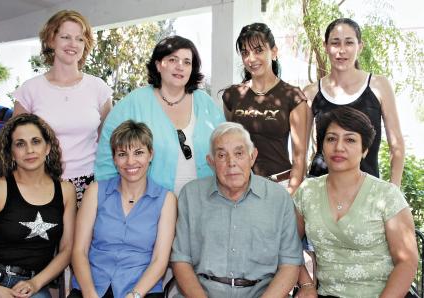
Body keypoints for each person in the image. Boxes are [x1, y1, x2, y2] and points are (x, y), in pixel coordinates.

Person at [294, 107, 417, 298]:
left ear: (365, 149)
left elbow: (407, 262)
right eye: (331, 139)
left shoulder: (386, 195)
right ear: (322, 146)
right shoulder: (307, 192)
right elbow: (289, 244)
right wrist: (307, 284)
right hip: (327, 294)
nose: (339, 147)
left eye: (350, 140)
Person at [171, 122, 303, 297]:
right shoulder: (191, 195)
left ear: (252, 156)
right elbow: (181, 259)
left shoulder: (278, 198)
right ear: (211, 162)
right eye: (221, 155)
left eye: (239, 153)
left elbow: (290, 263)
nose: (231, 162)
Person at [0, 114, 76, 297]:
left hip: (32, 285)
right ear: (11, 152)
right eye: (20, 144)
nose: (29, 150)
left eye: (36, 141)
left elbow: (67, 250)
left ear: (48, 147)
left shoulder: (66, 191)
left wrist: (36, 284)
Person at [95, 35, 225, 195]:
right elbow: (106, 157)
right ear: (158, 65)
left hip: (203, 205)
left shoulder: (205, 103)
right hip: (149, 208)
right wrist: (111, 198)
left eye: (187, 62)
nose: (180, 66)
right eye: (172, 60)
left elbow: (226, 146)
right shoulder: (133, 103)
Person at [13, 10, 112, 204]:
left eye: (79, 39)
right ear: (51, 40)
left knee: (86, 235)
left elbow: (106, 140)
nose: (73, 44)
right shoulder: (30, 90)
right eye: (65, 37)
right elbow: (16, 144)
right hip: (43, 182)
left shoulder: (99, 89)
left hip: (92, 183)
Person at [69, 120, 177, 298]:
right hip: (92, 286)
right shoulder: (95, 191)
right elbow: (79, 251)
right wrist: (89, 293)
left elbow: (160, 260)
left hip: (141, 289)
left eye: (139, 152)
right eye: (122, 154)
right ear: (114, 159)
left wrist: (134, 295)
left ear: (151, 154)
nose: (130, 161)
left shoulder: (166, 200)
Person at [303, 18, 405, 186]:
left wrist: (393, 194)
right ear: (325, 47)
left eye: (349, 43)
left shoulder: (379, 86)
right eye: (335, 43)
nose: (341, 50)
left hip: (367, 193)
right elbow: (301, 151)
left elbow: (397, 146)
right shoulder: (311, 92)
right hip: (320, 190)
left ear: (360, 46)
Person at [222, 23, 308, 195]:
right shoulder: (232, 96)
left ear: (274, 52)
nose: (251, 59)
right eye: (245, 53)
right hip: (241, 188)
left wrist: (289, 196)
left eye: (258, 50)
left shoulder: (293, 96)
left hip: (280, 186)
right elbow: (230, 146)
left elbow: (300, 157)